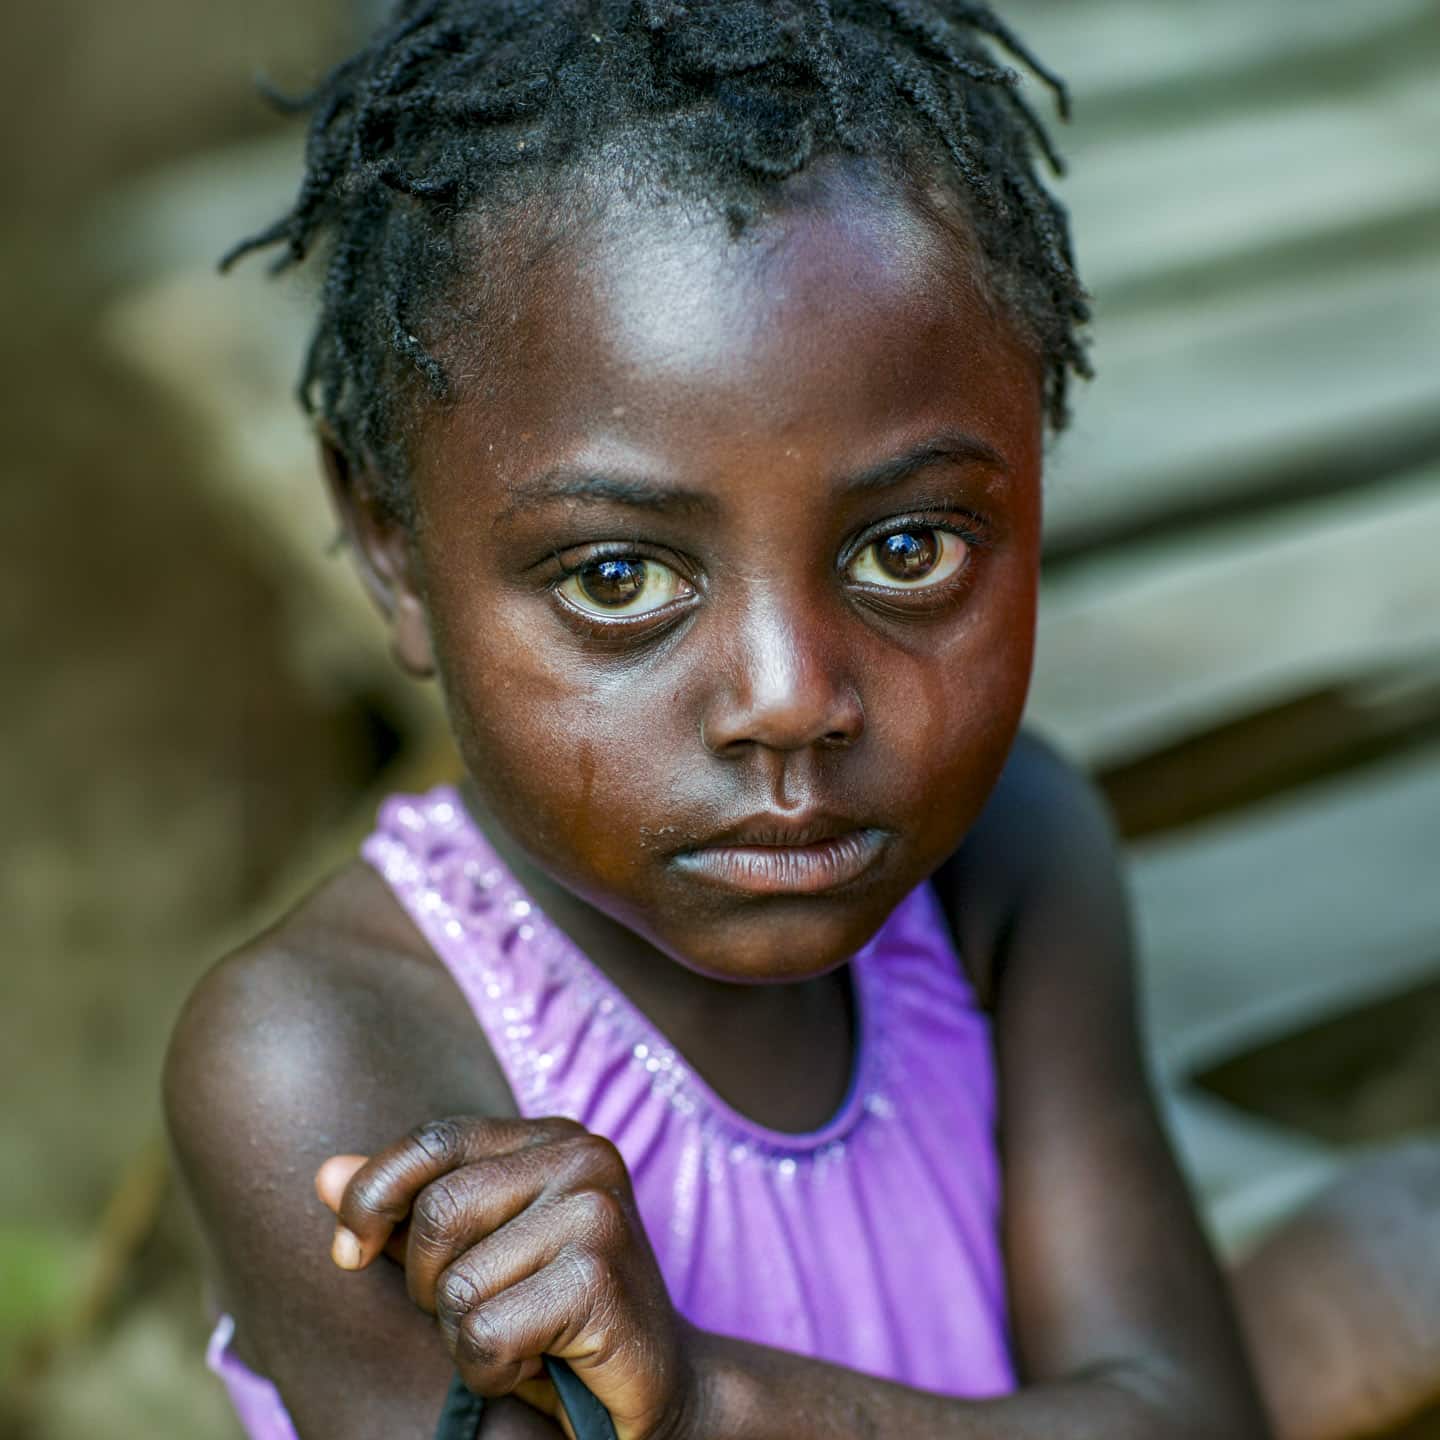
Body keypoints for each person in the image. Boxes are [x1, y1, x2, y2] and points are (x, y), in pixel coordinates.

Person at [164, 4, 1440, 1438]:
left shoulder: (1008, 861)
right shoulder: (325, 1060)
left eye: (909, 550)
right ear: (391, 544)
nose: (790, 699)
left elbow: (1181, 1417)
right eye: (618, 576)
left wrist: (714, 1404)